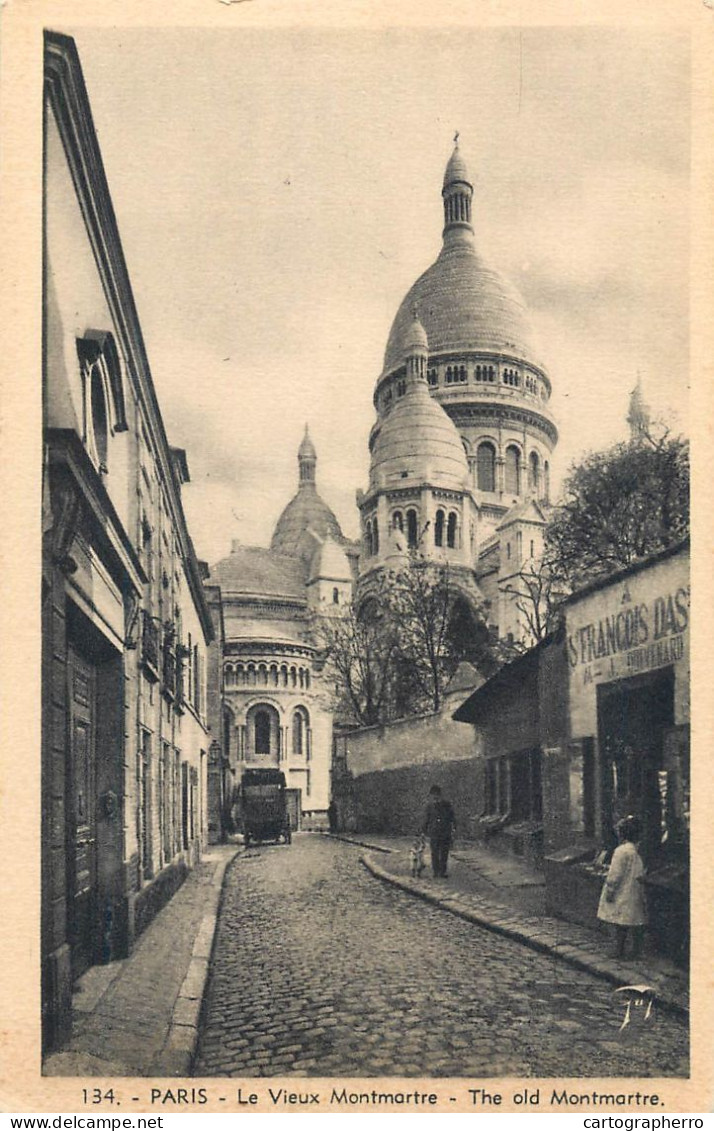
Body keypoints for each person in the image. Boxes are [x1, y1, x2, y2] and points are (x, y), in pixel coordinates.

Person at [597, 815, 647, 959]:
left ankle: (619, 950)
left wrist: (610, 890)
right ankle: (635, 951)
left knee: (620, 923)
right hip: (633, 888)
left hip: (622, 890)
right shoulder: (635, 851)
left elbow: (615, 875)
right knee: (634, 921)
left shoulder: (621, 851)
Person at [422, 785, 456, 878]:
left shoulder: (447, 805)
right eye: (433, 795)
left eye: (437, 795)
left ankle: (443, 871)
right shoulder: (429, 807)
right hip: (434, 833)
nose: (435, 797)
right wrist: (424, 831)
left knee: (444, 852)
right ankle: (436, 871)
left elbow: (452, 817)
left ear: (440, 795)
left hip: (445, 832)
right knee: (435, 853)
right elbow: (426, 820)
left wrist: (453, 829)